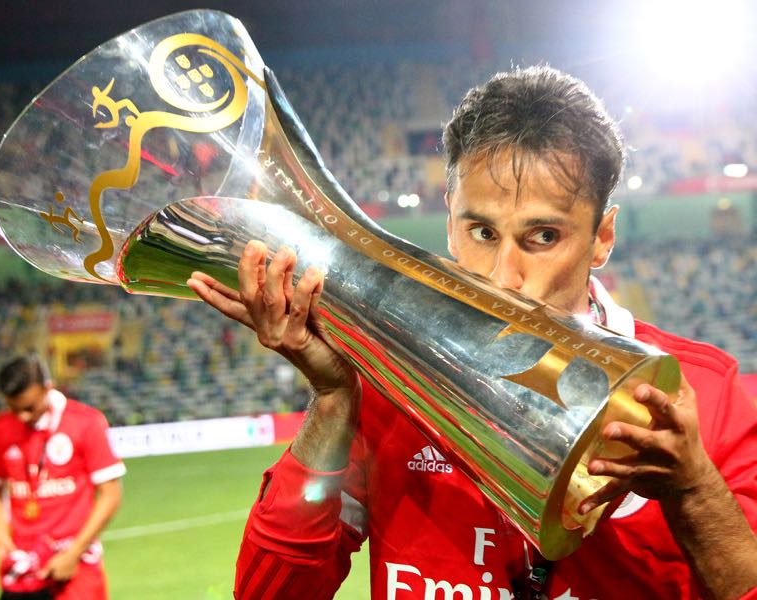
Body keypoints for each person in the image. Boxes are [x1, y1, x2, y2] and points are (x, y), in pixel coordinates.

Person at [187, 66, 757, 599]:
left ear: (602, 236)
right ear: (449, 216)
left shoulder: (705, 398)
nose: (502, 276)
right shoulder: (386, 387)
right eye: (482, 231)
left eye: (542, 236)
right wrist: (335, 400)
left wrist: (694, 491)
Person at [0, 355, 126, 599]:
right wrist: (0, 535)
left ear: (48, 387)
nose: (22, 417)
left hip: (75, 562)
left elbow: (111, 493)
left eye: (29, 408)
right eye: (14, 409)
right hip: (23, 564)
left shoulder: (86, 422)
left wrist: (74, 553)